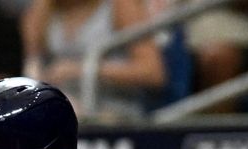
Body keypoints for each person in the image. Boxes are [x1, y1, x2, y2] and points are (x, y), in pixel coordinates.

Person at [20, 0, 167, 120]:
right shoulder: (44, 9)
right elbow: (33, 61)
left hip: (113, 112)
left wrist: (82, 70)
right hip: (61, 110)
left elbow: (153, 72)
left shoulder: (120, 5)